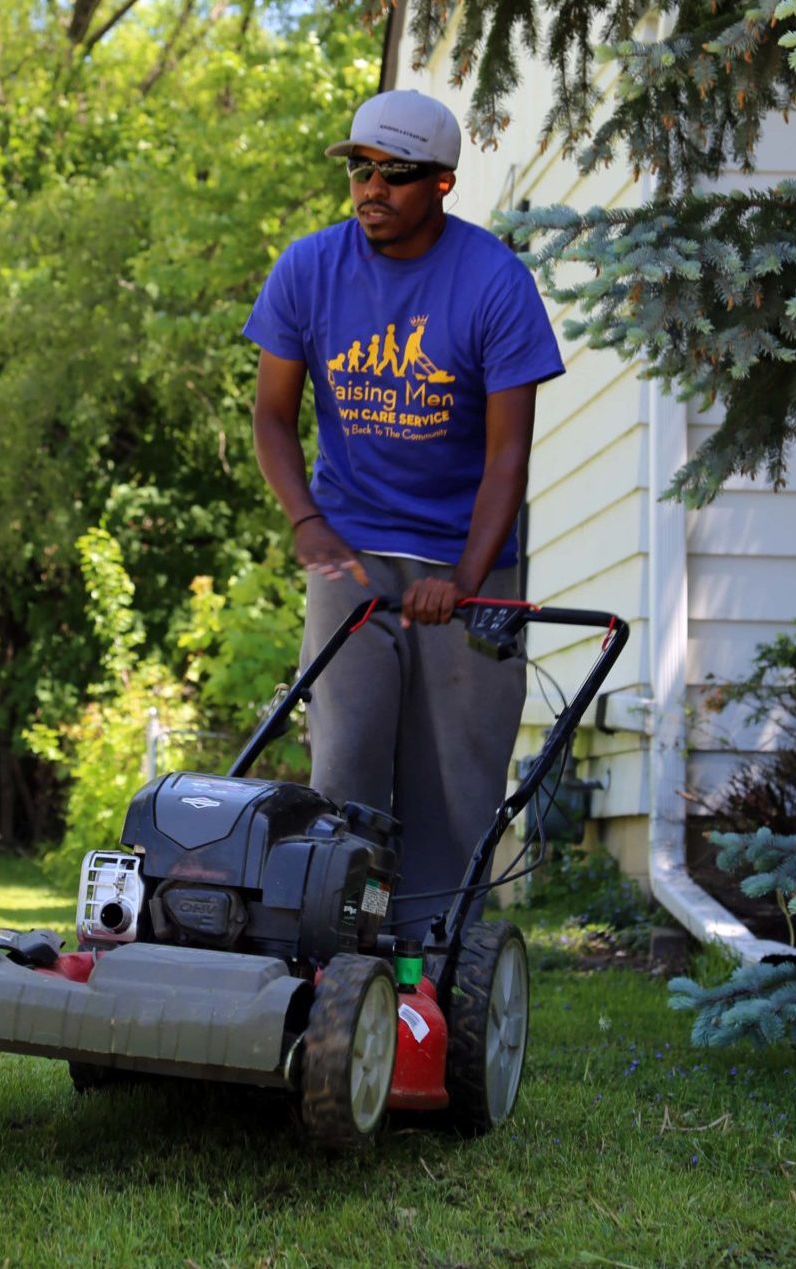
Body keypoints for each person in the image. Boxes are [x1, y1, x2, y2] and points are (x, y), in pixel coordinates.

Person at [243, 89, 565, 940]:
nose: (371, 187)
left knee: (455, 784)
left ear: (443, 183)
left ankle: (432, 966)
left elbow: (507, 455)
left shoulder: (493, 283)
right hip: (347, 555)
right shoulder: (307, 270)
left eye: (396, 172)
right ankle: (332, 952)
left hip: (472, 559)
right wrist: (308, 524)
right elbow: (271, 416)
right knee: (343, 762)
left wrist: (462, 579)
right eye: (359, 167)